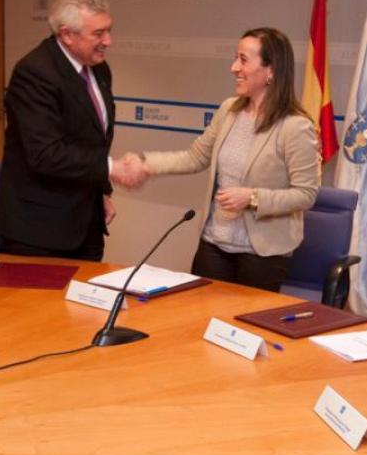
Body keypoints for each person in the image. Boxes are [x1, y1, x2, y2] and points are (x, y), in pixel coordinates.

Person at [119, 27, 319, 292]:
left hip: (262, 255)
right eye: (235, 58)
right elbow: (195, 156)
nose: (234, 67)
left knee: (244, 330)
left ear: (271, 71)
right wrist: (146, 165)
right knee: (199, 323)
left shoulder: (295, 126)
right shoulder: (229, 110)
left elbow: (306, 194)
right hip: (214, 244)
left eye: (243, 60)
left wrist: (253, 198)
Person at [0, 0, 129, 261]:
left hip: (87, 223)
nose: (108, 41)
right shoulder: (34, 72)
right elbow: (45, 154)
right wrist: (111, 168)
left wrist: (102, 191)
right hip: (38, 232)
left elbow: (95, 137)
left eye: (109, 30)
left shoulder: (100, 69)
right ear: (67, 35)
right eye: (98, 33)